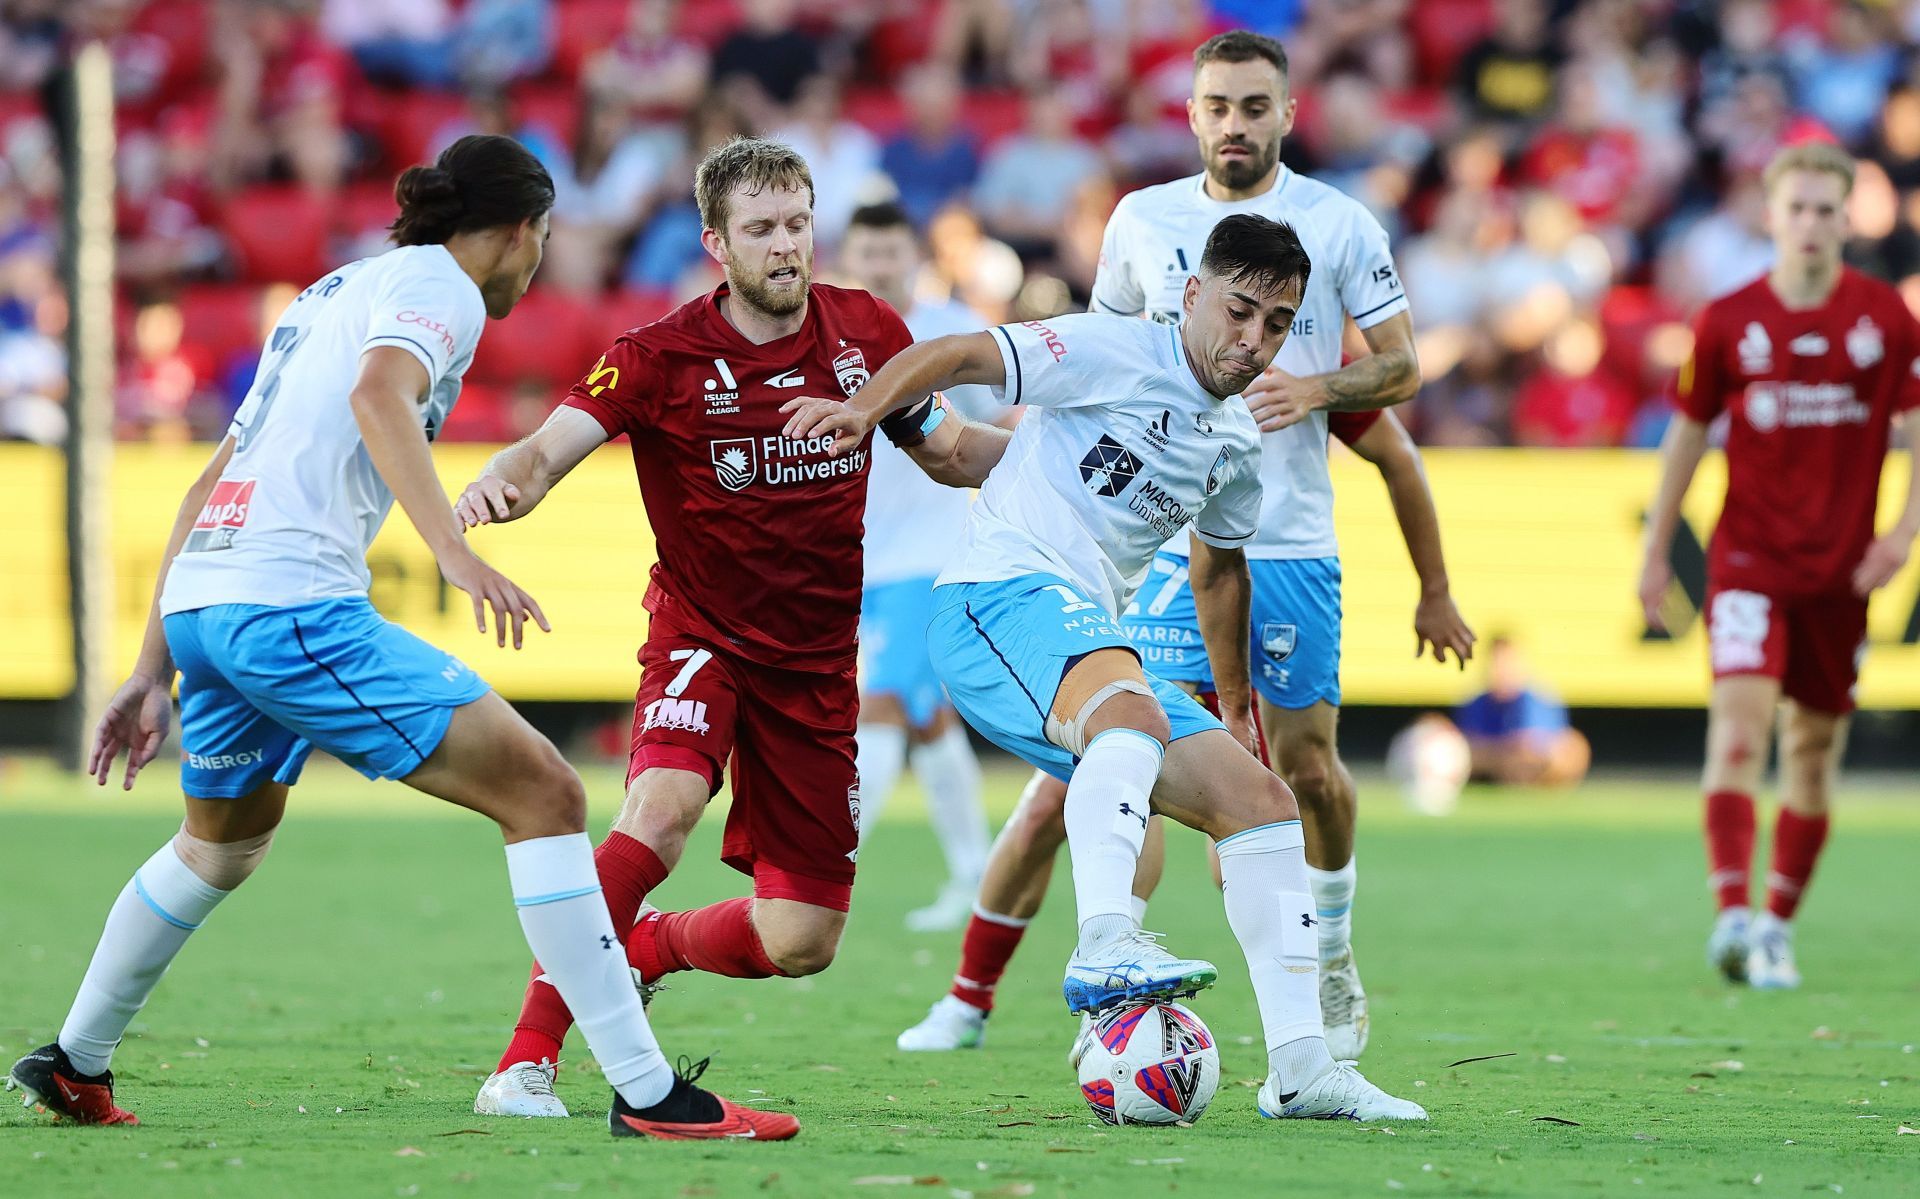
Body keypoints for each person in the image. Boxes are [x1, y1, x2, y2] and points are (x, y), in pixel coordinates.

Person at [5, 136, 786, 1140]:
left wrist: (154, 663)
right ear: (513, 232)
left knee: (221, 844)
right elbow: (381, 396)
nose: (538, 261)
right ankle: (647, 1093)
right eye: (540, 239)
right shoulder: (443, 287)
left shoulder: (330, 292)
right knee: (546, 792)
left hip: (211, 601)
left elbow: (211, 480)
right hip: (290, 605)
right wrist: (454, 554)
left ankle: (75, 1059)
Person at [896, 29, 1469, 1063]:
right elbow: (1068, 386)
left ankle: (1315, 1027)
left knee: (1283, 783)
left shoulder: (1328, 244)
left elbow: (1395, 395)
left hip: (1278, 546)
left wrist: (1323, 393)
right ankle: (1026, 977)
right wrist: (884, 417)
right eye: (1219, 105)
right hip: (1070, 570)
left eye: (1256, 105)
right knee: (1101, 747)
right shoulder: (1136, 257)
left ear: (1288, 112)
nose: (1253, 339)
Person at [786, 212, 1429, 1123]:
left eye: (1277, 324)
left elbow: (1217, 567)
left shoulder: (1239, 445)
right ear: (1194, 295)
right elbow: (969, 350)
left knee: (1263, 806)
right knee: (1124, 713)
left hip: (1081, 632)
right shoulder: (1110, 347)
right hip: (991, 598)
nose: (1253, 341)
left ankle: (1301, 1068)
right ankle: (1103, 942)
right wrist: (860, 408)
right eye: (1238, 311)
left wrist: (1239, 710)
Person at [457, 137, 1011, 1118]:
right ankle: (526, 1058)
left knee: (802, 939)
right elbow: (554, 443)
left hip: (816, 663)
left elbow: (954, 452)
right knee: (661, 806)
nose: (787, 246)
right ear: (716, 242)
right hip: (702, 632)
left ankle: (642, 945)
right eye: (761, 229)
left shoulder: (865, 333)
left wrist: (1073, 454)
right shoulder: (657, 356)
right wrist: (512, 478)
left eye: (798, 223)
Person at [1639, 141, 1920, 991]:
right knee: (1737, 731)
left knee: (1811, 750)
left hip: (1841, 573)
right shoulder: (1728, 320)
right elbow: (1687, 436)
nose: (1809, 223)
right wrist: (1657, 548)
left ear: (1847, 219)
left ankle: (1775, 925)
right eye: (1795, 207)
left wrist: (1904, 532)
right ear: (1771, 215)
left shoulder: (1886, 321)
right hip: (1748, 560)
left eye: (1825, 210)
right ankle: (1731, 912)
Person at [837, 201, 1012, 931]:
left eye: (890, 251)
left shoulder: (947, 333)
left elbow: (1006, 417)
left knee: (876, 703)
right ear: (850, 258)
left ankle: (826, 869)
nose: (879, 265)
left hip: (932, 553)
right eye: (866, 253)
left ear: (913, 255)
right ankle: (977, 879)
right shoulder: (832, 331)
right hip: (863, 555)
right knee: (929, 719)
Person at [1449, 635, 1590, 786]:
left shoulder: (1538, 698)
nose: (1500, 672)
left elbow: (1541, 747)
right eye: (1496, 665)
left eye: (1506, 664)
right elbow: (1465, 746)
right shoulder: (1476, 702)